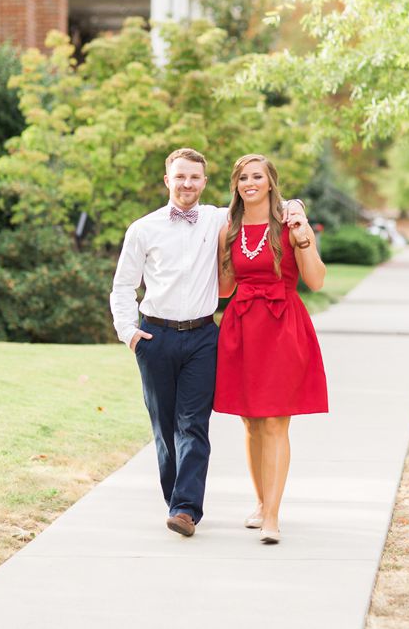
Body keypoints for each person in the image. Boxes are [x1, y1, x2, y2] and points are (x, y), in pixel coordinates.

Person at [110, 148, 306, 537]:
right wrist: (130, 333)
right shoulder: (143, 229)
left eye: (195, 178)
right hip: (155, 336)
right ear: (167, 180)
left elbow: (268, 201)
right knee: (165, 428)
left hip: (202, 336)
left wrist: (296, 206)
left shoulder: (220, 218)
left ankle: (186, 509)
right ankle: (175, 499)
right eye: (180, 177)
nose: (188, 184)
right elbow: (123, 285)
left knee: (193, 424)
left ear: (205, 182)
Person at [213, 153, 328, 545]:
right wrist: (218, 251)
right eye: (243, 177)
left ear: (270, 181)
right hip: (242, 327)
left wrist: (304, 234)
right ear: (236, 184)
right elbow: (225, 289)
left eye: (257, 176)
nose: (249, 183)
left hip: (283, 327)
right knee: (250, 421)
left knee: (277, 421)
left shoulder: (290, 223)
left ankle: (273, 518)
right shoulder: (229, 227)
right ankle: (261, 503)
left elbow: (315, 280)